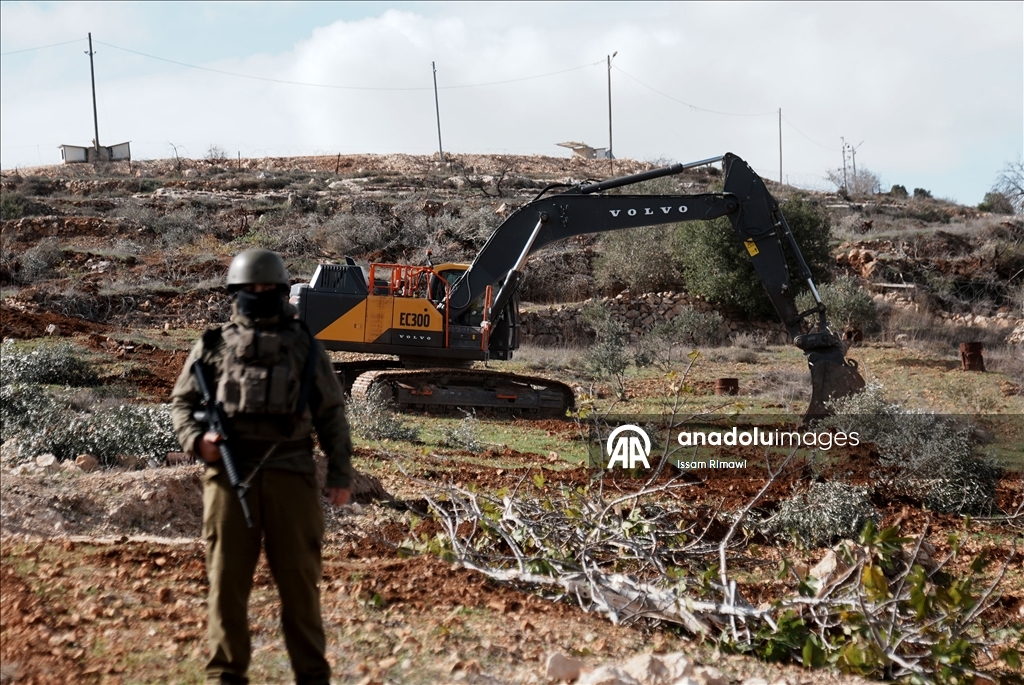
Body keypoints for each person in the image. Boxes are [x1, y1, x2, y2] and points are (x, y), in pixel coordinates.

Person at [170, 248, 353, 685]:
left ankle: (312, 676)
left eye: (267, 287)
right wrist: (197, 441)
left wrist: (340, 475)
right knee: (226, 583)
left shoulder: (305, 346)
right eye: (251, 287)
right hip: (228, 475)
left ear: (281, 291)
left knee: (300, 584)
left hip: (292, 475)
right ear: (236, 292)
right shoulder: (213, 345)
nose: (259, 292)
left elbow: (331, 415)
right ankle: (225, 675)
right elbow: (182, 403)